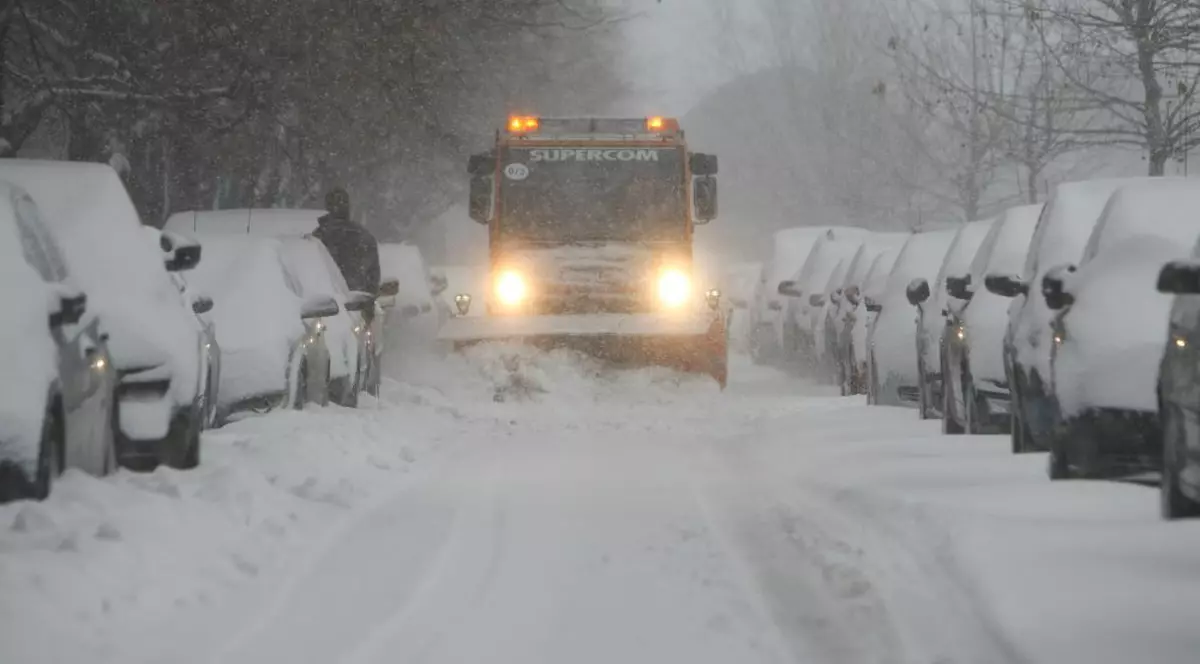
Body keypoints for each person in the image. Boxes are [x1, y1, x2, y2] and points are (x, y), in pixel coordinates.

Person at [312, 187, 381, 295]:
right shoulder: (363, 236)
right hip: (356, 301)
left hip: (328, 302)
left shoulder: (318, 237)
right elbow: (373, 276)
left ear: (328, 207)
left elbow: (311, 275)